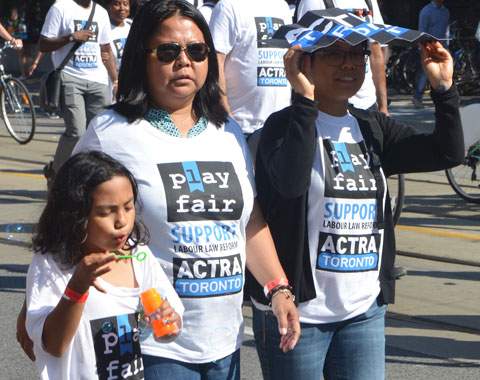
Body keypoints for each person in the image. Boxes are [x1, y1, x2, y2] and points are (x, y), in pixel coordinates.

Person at [71, 1, 300, 378]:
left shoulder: (227, 133)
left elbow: (249, 220)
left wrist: (278, 289)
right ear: (141, 57)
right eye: (167, 51)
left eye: (196, 51)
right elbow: (67, 218)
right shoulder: (109, 132)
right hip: (147, 341)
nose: (184, 61)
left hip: (223, 343)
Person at [248, 35, 463, 380]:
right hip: (298, 315)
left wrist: (443, 89)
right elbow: (290, 185)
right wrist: (304, 101)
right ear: (305, 62)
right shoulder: (281, 126)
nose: (348, 64)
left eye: (356, 54)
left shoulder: (372, 126)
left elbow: (448, 153)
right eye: (333, 54)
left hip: (363, 311)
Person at [25, 150, 184, 379]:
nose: (122, 221)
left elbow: (169, 320)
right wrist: (77, 288)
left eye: (128, 207)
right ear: (75, 214)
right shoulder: (53, 263)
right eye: (105, 212)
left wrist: (169, 321)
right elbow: (53, 345)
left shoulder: (137, 254)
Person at [39, 0, 118, 182]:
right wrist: (71, 38)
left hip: (98, 80)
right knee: (76, 131)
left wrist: (116, 80)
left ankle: (92, 175)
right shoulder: (61, 7)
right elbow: (43, 44)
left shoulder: (101, 12)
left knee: (100, 132)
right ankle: (56, 171)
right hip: (70, 77)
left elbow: (105, 48)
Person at [209, 0, 293, 136]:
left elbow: (287, 57)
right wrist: (227, 116)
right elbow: (215, 62)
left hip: (281, 127)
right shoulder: (228, 6)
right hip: (242, 127)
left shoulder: (282, 6)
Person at [296, 0, 389, 114]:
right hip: (331, 106)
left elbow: (376, 54)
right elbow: (304, 53)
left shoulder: (369, 2)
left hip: (368, 104)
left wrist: (383, 106)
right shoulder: (314, 2)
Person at [412, 0, 450, 109]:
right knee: (426, 73)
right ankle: (417, 97)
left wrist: (447, 45)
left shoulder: (446, 11)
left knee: (443, 73)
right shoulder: (426, 11)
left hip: (442, 47)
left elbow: (446, 30)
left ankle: (443, 98)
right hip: (428, 46)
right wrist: (422, 48)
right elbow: (422, 31)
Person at [103, 0, 132, 98]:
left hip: (130, 83)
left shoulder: (132, 26)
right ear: (108, 6)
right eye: (117, 4)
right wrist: (116, 83)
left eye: (125, 4)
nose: (122, 8)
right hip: (109, 85)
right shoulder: (104, 28)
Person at [7, 7, 32, 79]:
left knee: (21, 56)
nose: (12, 15)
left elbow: (11, 32)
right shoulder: (23, 20)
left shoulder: (14, 22)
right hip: (27, 38)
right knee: (28, 55)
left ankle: (23, 74)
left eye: (13, 13)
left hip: (19, 39)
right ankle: (32, 73)